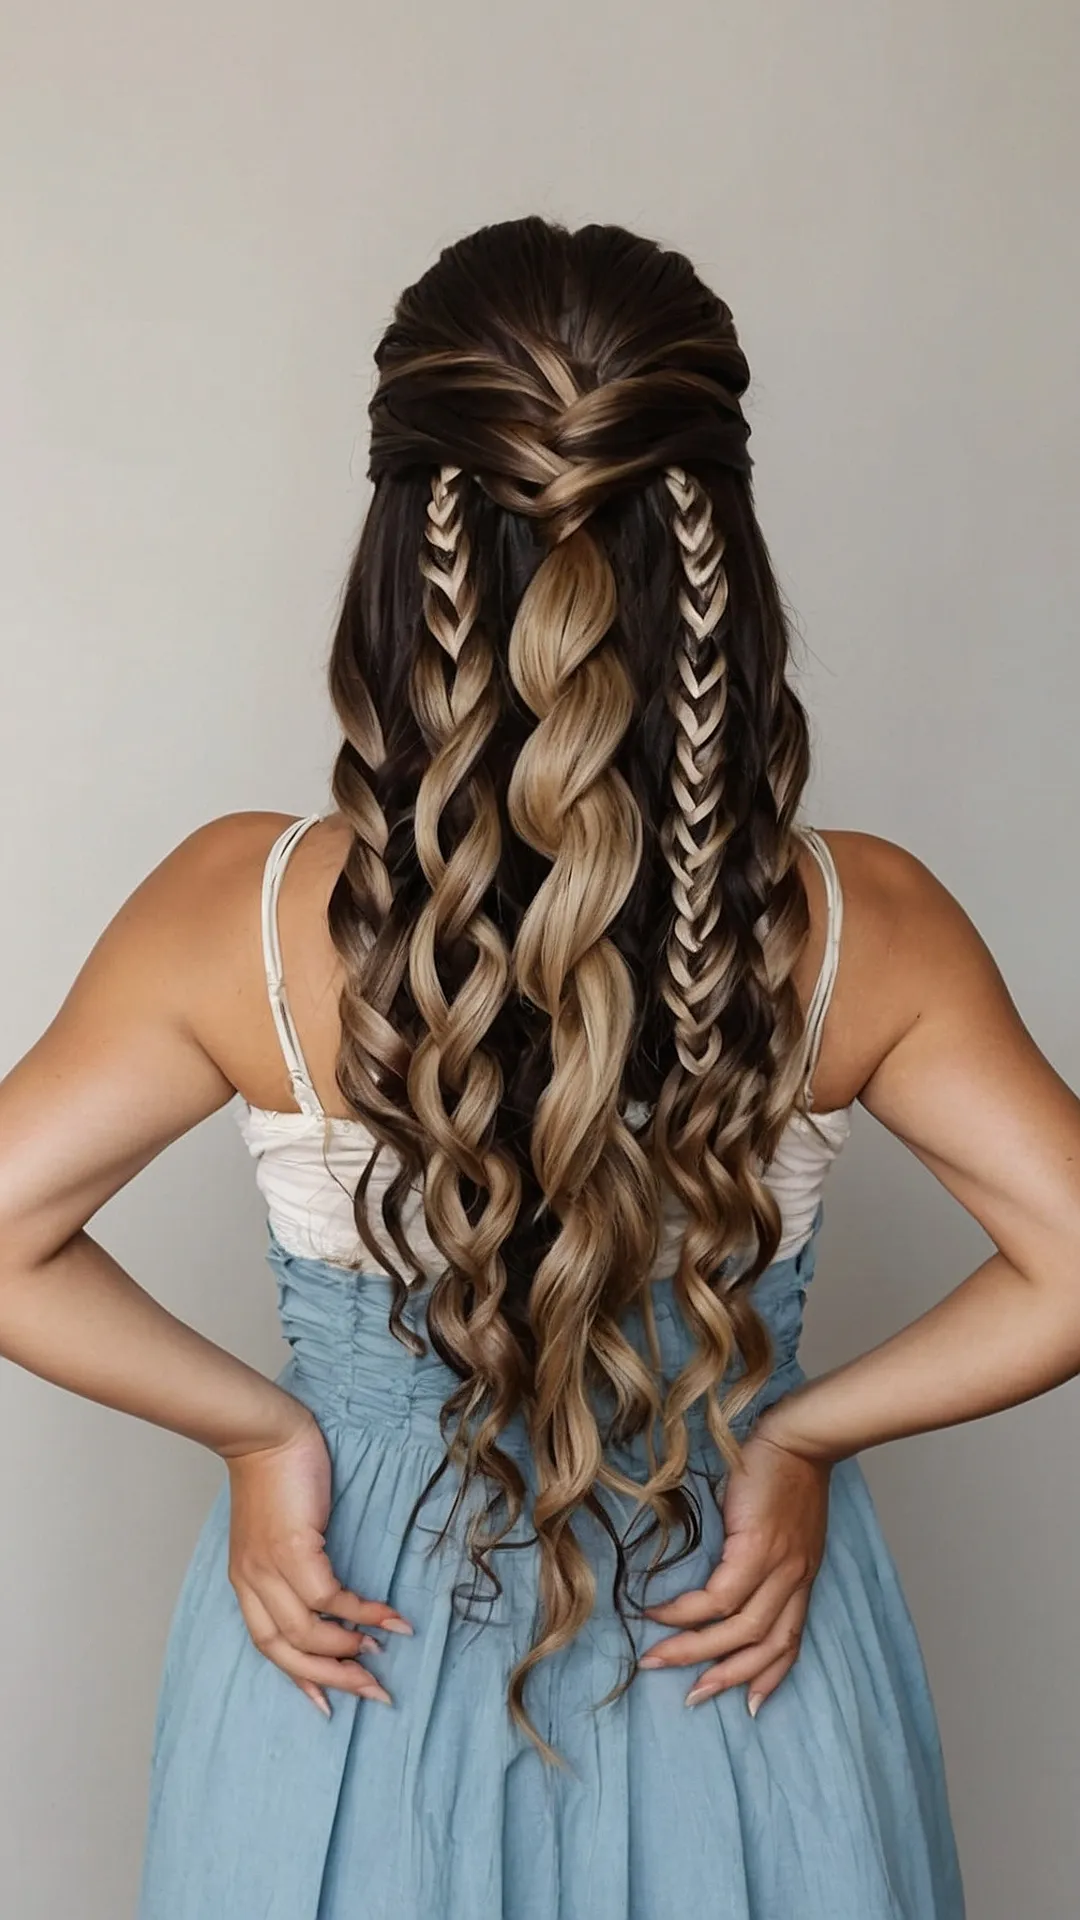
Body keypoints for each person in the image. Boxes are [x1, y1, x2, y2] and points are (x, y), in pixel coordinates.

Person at [3, 216, 1079, 1920]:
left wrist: (264, 1438)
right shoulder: (863, 925)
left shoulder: (239, 911)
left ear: (397, 556)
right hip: (737, 1648)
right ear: (716, 555)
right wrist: (794, 1441)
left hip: (346, 1656)